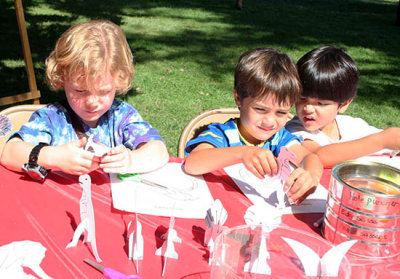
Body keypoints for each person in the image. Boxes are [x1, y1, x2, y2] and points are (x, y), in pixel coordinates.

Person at [0, 19, 169, 179]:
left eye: (103, 92)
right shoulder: (52, 119)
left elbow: (159, 150)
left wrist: (131, 160)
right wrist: (53, 156)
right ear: (62, 79)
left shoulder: (121, 116)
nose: (91, 102)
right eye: (80, 90)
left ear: (118, 82)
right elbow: (9, 152)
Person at [184, 48, 323, 204]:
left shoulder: (278, 138)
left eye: (281, 113)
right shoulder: (222, 135)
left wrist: (311, 176)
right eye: (260, 109)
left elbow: (310, 157)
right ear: (238, 98)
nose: (269, 122)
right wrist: (243, 153)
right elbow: (192, 164)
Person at [286, 46, 400, 167]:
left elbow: (392, 141)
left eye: (321, 103)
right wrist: (382, 141)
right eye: (302, 98)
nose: (308, 108)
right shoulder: (294, 130)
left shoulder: (352, 125)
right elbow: (317, 157)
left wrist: (388, 140)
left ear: (344, 105)